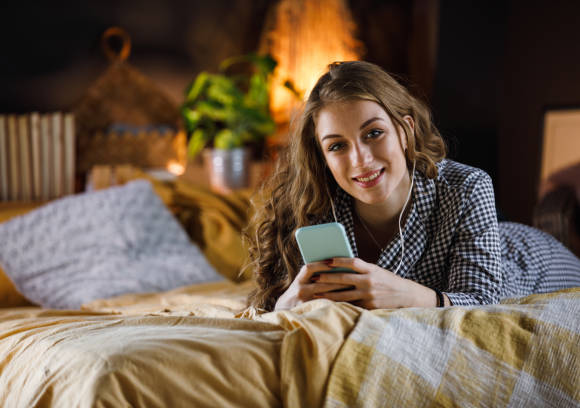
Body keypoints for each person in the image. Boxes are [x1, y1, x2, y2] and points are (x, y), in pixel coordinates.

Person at [243, 61, 580, 311]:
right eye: (337, 146)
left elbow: (483, 304)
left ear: (404, 130)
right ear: (323, 156)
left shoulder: (468, 187)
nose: (360, 160)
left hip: (526, 260)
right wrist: (287, 303)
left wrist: (406, 295)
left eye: (373, 133)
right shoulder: (315, 212)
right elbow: (267, 311)